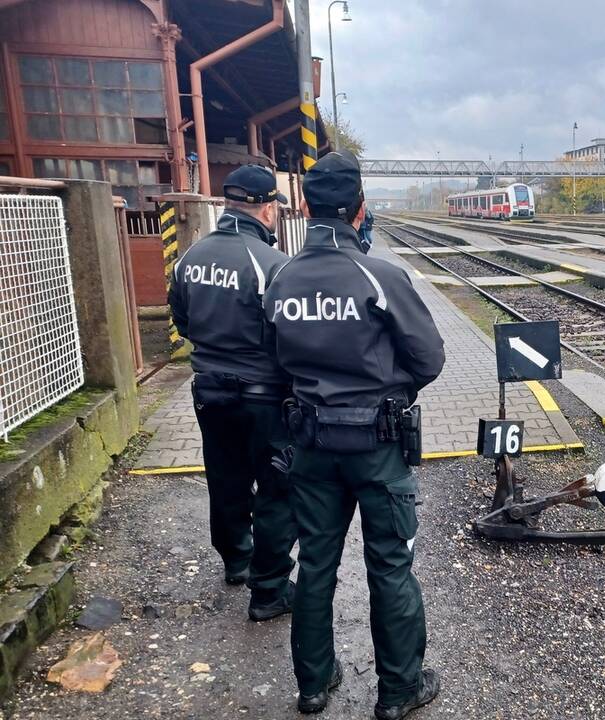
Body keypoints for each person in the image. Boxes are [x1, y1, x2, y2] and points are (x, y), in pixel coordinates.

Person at [264, 152, 446, 717]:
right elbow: (430, 359)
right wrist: (387, 391)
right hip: (377, 447)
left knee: (316, 562)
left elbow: (274, 364)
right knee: (389, 565)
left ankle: (313, 686)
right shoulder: (382, 276)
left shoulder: (281, 276)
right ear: (361, 208)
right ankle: (398, 692)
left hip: (312, 447)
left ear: (304, 207)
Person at [167, 164, 297, 621]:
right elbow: (286, 335)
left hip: (208, 390)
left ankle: (236, 560)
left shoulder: (189, 258)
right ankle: (270, 586)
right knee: (278, 486)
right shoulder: (273, 266)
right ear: (266, 207)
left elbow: (182, 322)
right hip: (263, 397)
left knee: (225, 477)